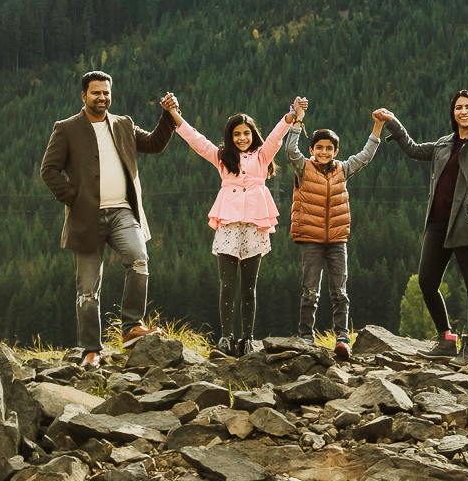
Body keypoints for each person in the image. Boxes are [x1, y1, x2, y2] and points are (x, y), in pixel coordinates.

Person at [39, 70, 179, 368]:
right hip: (85, 219)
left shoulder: (123, 124)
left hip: (122, 212)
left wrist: (168, 117)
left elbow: (155, 144)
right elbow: (48, 170)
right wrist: (74, 198)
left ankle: (130, 328)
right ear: (83, 96)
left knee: (139, 258)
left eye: (106, 92)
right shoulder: (66, 129)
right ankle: (91, 350)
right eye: (95, 92)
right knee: (88, 289)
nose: (101, 97)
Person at [161, 90, 300, 355]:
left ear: (252, 134)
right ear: (230, 137)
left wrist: (291, 116)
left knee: (249, 287)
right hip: (228, 225)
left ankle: (247, 338)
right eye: (236, 134)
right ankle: (226, 337)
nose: (242, 138)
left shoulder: (262, 157)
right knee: (227, 286)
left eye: (246, 133)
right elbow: (196, 140)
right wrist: (173, 114)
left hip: (254, 225)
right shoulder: (222, 158)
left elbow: (275, 137)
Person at [377, 88, 468, 362]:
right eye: (458, 108)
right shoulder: (444, 143)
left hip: (466, 223)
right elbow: (414, 150)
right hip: (437, 222)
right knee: (427, 281)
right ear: (453, 113)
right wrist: (392, 121)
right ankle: (446, 339)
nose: (463, 111)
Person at [281, 99, 385, 359]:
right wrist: (298, 120)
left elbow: (365, 156)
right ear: (312, 149)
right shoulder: (303, 167)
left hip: (337, 240)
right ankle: (306, 336)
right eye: (319, 148)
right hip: (312, 240)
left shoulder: (343, 170)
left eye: (329, 148)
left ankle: (342, 339)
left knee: (340, 292)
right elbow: (290, 150)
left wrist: (378, 126)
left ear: (335, 151)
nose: (324, 152)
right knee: (310, 292)